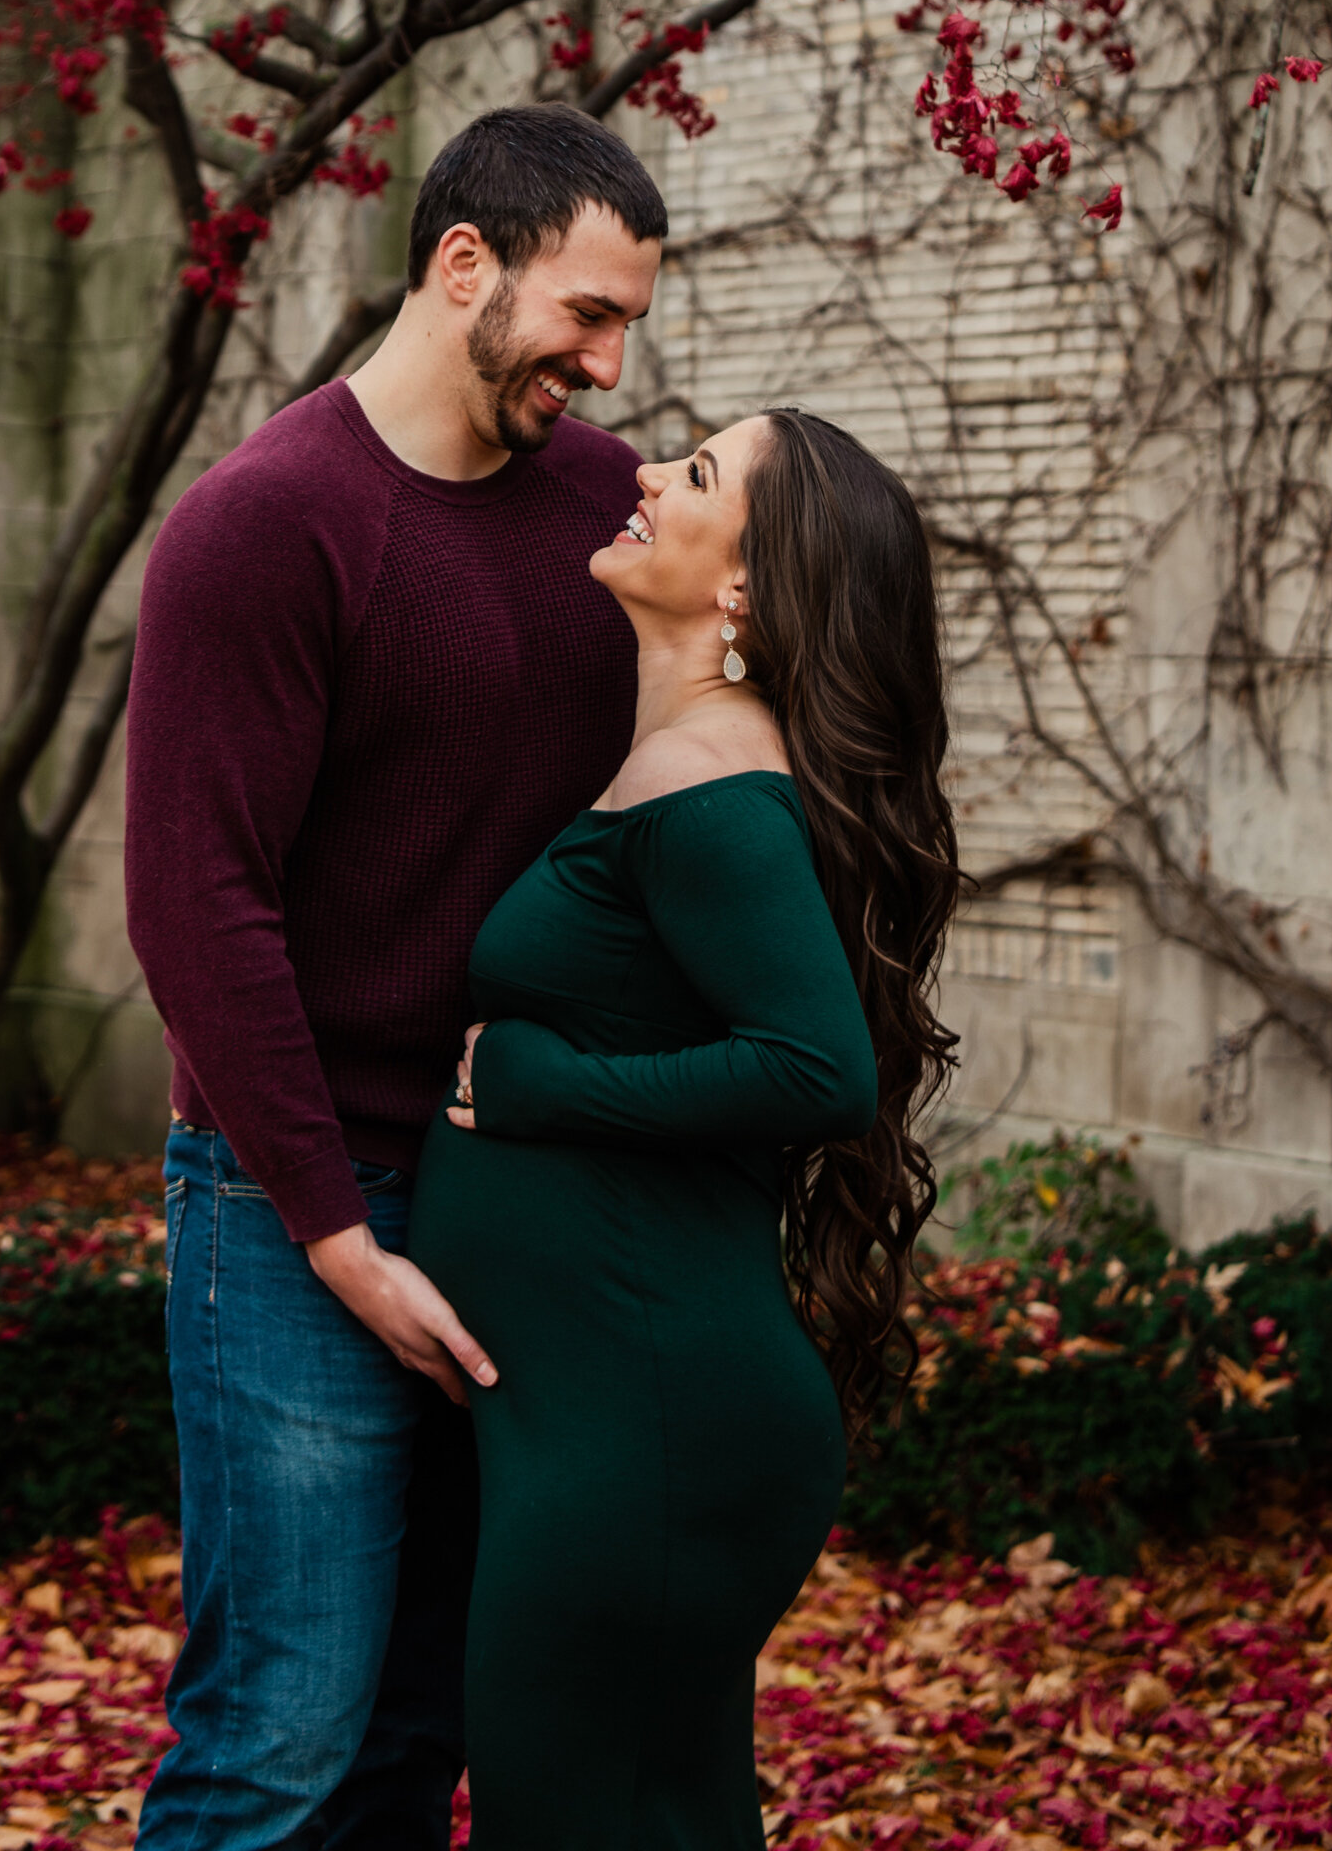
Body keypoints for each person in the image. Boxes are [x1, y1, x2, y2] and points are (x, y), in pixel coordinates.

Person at [123, 103, 667, 1850]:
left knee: (421, 1726)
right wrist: (343, 1246)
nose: (600, 363)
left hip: (511, 1185)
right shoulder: (262, 527)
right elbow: (197, 909)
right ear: (462, 266)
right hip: (297, 1205)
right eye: (584, 315)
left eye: (622, 329)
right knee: (278, 1737)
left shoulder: (604, 509)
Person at [410, 407, 962, 1851]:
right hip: (617, 1424)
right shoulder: (680, 763)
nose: (647, 473)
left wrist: (541, 1089)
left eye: (698, 475)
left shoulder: (717, 789)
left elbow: (814, 1072)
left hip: (643, 1438)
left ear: (745, 592)